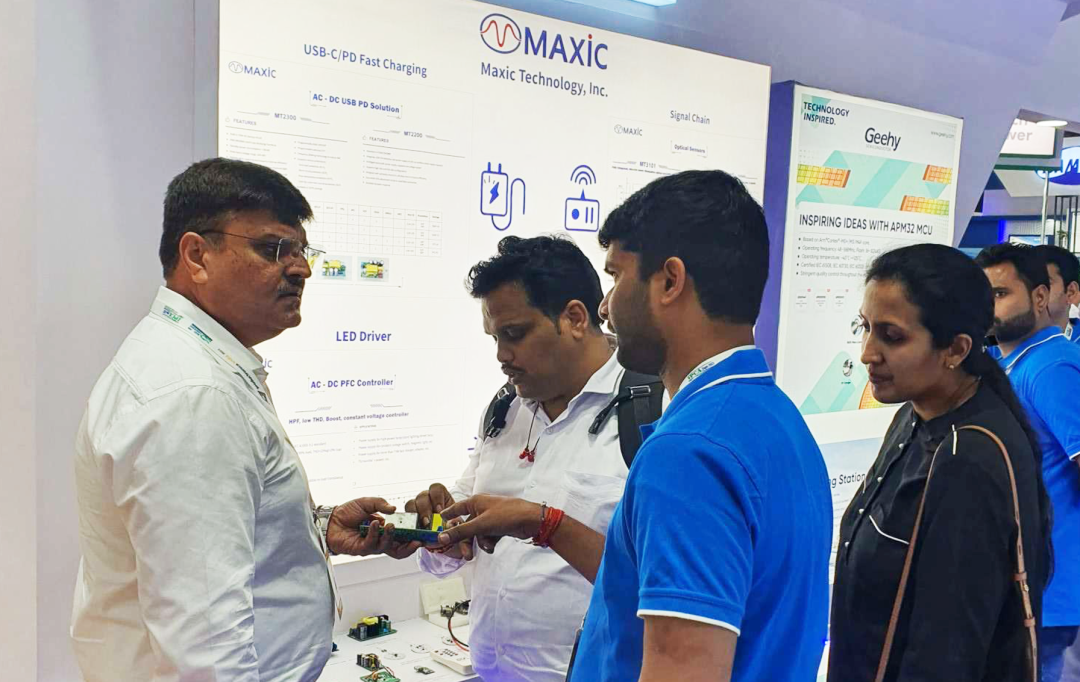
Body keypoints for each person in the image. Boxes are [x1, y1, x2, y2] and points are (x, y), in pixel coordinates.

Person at [436, 170, 833, 682]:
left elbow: (682, 669)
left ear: (669, 281)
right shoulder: (778, 420)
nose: (605, 307)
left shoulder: (689, 451)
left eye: (616, 277)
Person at [71, 158, 418, 682]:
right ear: (197, 255)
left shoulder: (195, 363)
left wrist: (313, 527)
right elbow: (207, 652)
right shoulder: (193, 395)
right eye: (273, 249)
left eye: (303, 251)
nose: (300, 269)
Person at [399, 235, 659, 682]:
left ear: (574, 318)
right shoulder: (505, 408)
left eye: (515, 334)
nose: (502, 356)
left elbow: (662, 584)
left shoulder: (652, 412)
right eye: (495, 337)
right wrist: (439, 530)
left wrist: (547, 525)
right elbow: (459, 532)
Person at [829, 244, 1051, 682]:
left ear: (956, 349)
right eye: (865, 327)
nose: (868, 352)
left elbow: (947, 652)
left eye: (892, 336)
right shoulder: (914, 416)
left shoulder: (968, 458)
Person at [977, 243, 1080, 682]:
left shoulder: (1050, 367)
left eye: (1001, 294)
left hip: (1050, 586)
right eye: (983, 296)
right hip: (1026, 581)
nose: (989, 307)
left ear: (1040, 297)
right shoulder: (1013, 363)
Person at [1037, 244, 1080, 343]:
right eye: (1026, 283)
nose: (1032, 292)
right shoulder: (1005, 344)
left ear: (1071, 292)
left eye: (1044, 283)